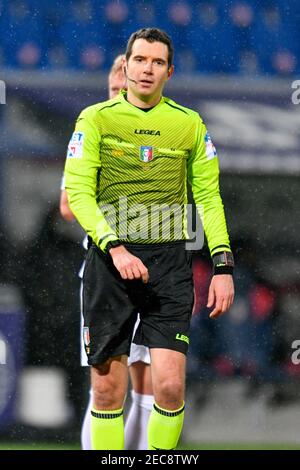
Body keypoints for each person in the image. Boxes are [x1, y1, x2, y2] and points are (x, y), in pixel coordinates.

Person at [64, 28, 234, 450]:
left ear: (169, 71)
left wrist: (222, 266)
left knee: (169, 387)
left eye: (157, 62)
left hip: (169, 264)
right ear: (127, 65)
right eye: (140, 60)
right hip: (109, 265)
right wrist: (115, 247)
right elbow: (78, 196)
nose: (147, 69)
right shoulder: (95, 119)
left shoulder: (188, 124)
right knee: (106, 391)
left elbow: (209, 198)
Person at [60, 55, 154, 451]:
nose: (118, 97)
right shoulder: (90, 134)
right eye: (113, 91)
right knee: (105, 388)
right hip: (103, 274)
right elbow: (68, 205)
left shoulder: (158, 137)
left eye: (124, 90)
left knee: (148, 388)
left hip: (153, 274)